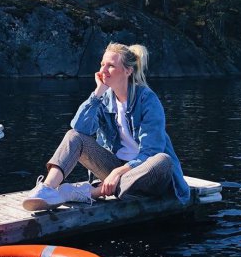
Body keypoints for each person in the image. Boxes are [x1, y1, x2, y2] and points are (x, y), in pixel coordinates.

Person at [22, 42, 190, 211]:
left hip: (144, 173)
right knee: (74, 135)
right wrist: (97, 93)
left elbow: (152, 151)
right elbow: (80, 129)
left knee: (163, 160)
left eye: (110, 66)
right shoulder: (103, 99)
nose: (102, 71)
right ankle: (47, 190)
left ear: (128, 71)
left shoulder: (147, 100)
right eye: (102, 64)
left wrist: (117, 173)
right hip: (115, 169)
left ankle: (93, 192)